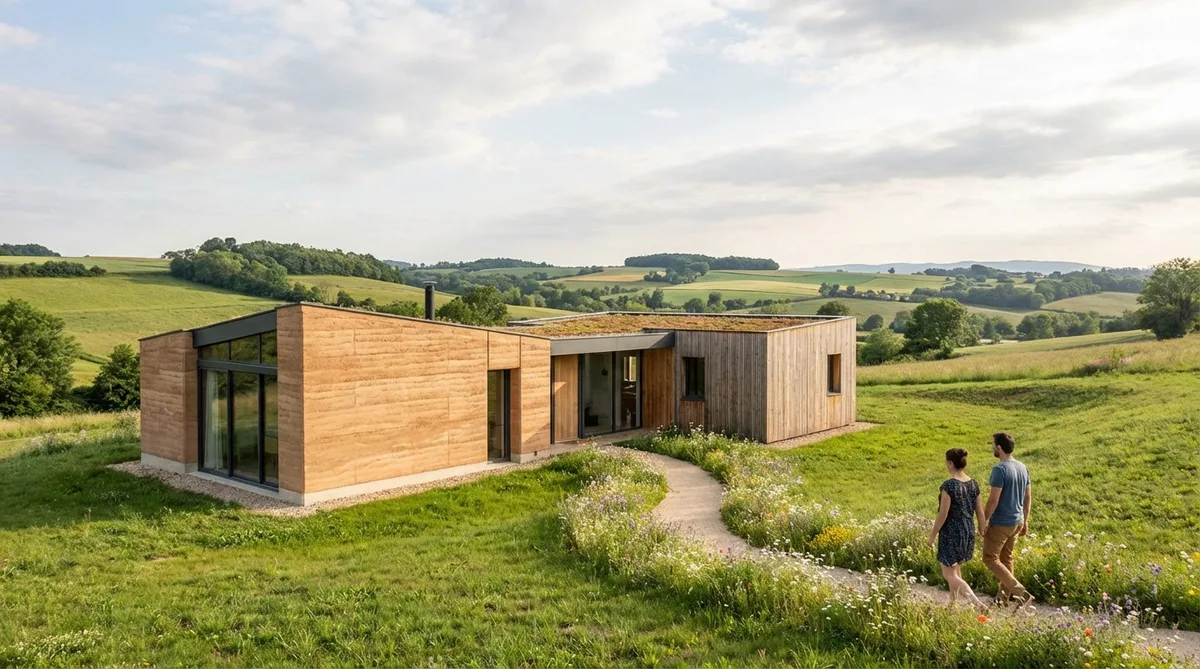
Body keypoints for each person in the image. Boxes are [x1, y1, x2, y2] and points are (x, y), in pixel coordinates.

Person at [927, 447, 989, 611]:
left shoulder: (948, 486)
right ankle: (952, 603)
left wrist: (932, 536)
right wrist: (982, 529)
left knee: (949, 574)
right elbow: (979, 510)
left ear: (950, 463)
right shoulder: (973, 484)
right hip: (968, 529)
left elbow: (943, 514)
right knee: (955, 568)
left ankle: (977, 604)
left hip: (951, 531)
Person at [981, 431, 1034, 607]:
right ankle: (1003, 598)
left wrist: (983, 520)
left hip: (1002, 522)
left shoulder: (1000, 469)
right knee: (1006, 559)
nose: (992, 447)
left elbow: (993, 500)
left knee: (990, 558)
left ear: (999, 448)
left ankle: (1020, 592)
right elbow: (1027, 497)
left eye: (993, 444)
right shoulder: (1022, 467)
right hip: (1017, 521)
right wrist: (1025, 521)